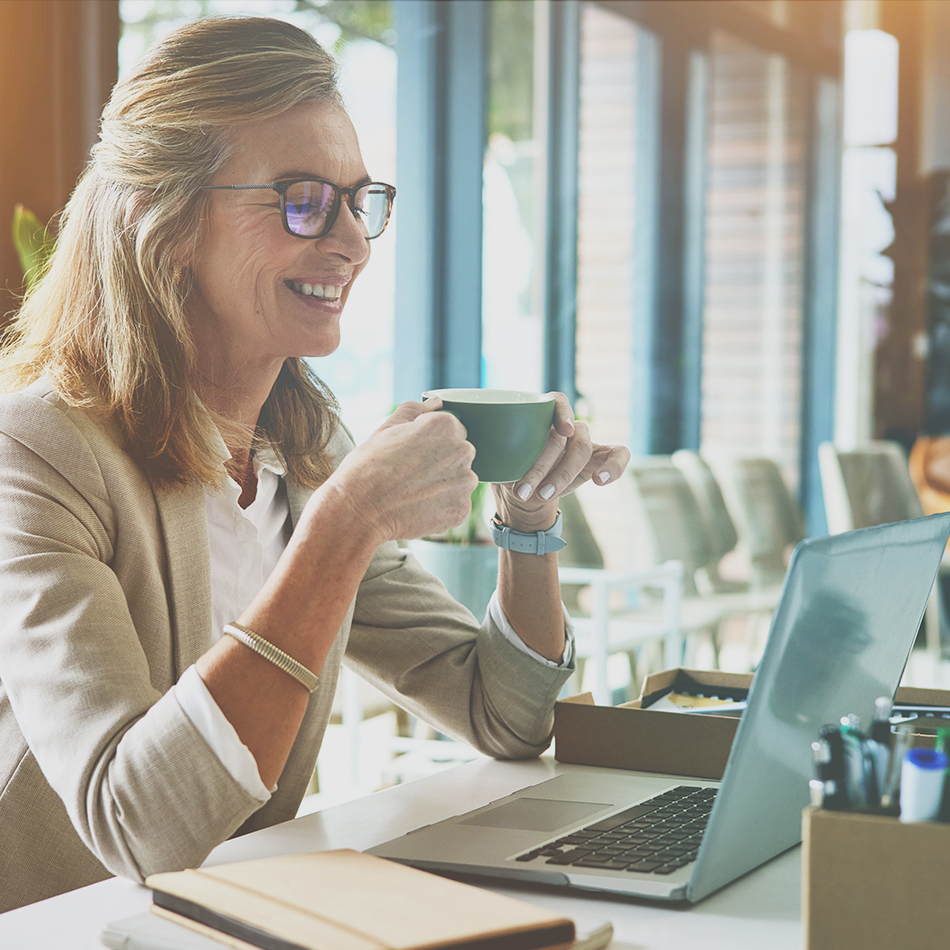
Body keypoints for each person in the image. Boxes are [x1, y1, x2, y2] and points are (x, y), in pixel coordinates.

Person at [0, 16, 630, 913]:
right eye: (303, 199)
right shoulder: (37, 455)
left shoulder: (304, 454)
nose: (354, 244)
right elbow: (135, 823)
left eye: (359, 200)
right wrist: (344, 525)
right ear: (168, 224)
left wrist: (529, 521)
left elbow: (503, 716)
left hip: (236, 917)